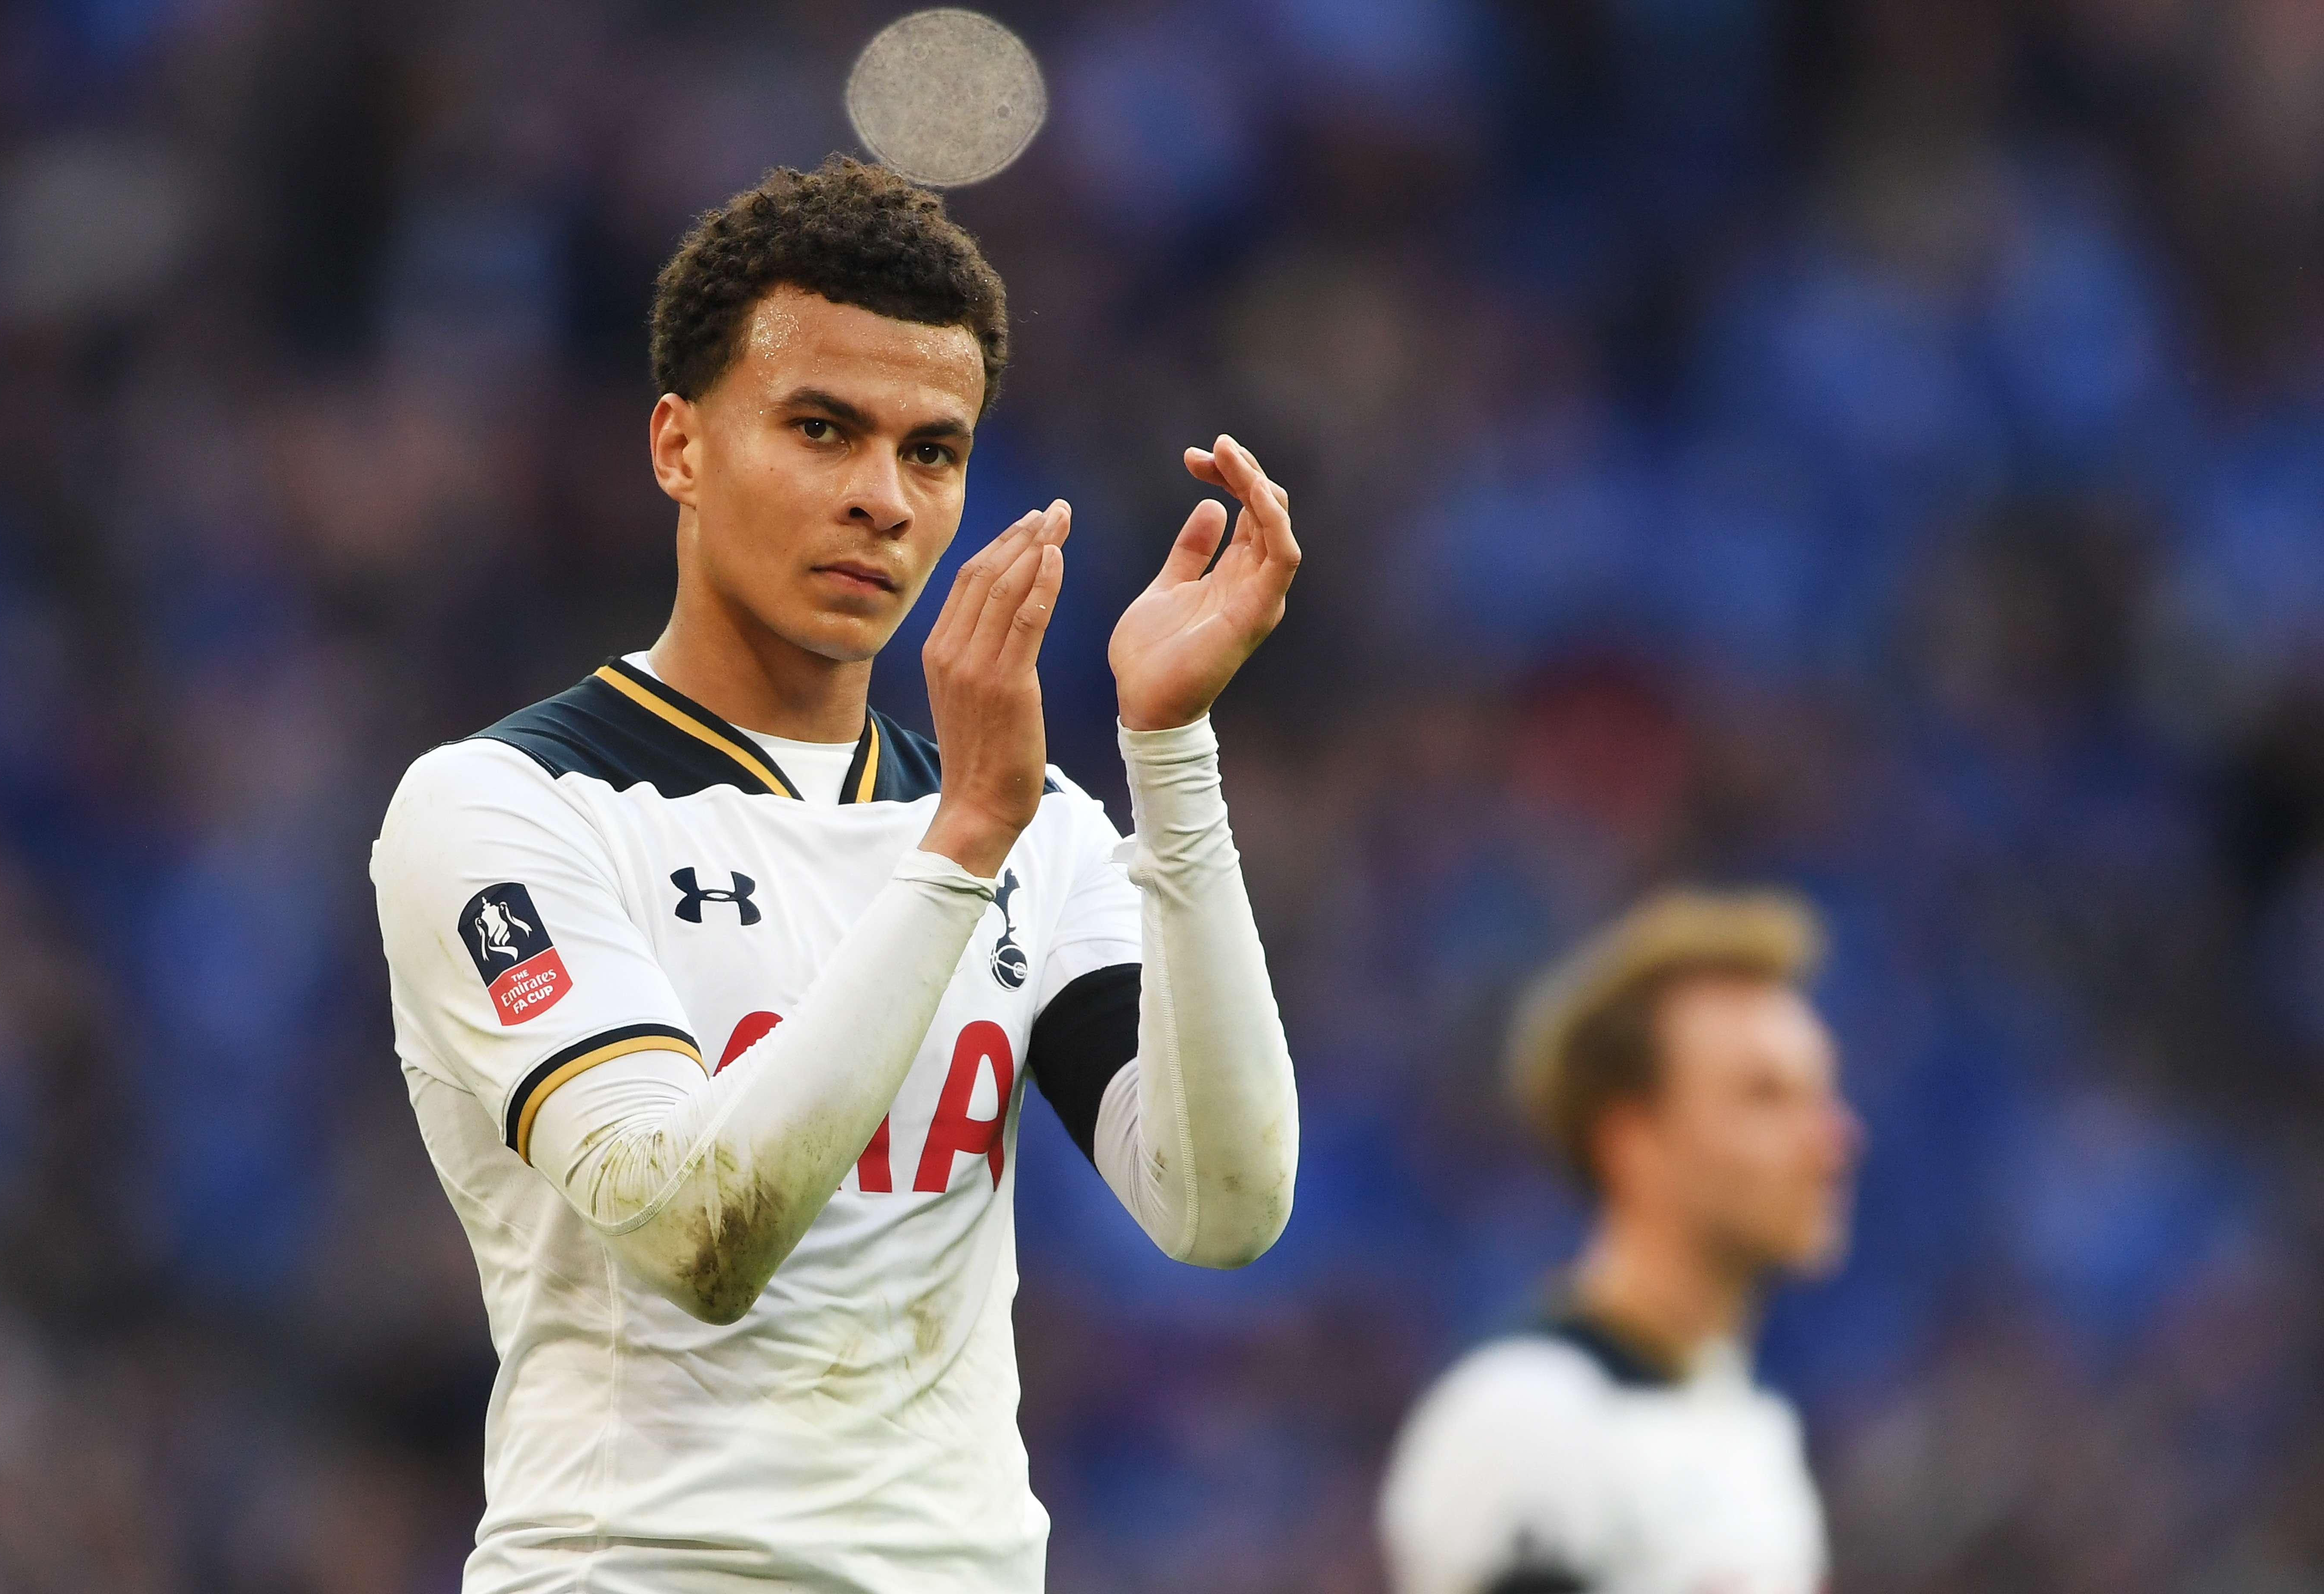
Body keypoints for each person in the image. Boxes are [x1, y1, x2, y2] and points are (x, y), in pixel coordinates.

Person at [369, 156, 1301, 1593]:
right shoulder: (508, 807)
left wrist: (1167, 755)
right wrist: (964, 842)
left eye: (930, 452)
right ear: (678, 446)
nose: (880, 498)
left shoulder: (1030, 822)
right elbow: (696, 1231)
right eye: (820, 430)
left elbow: (1221, 1207)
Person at [1379, 889, 1861, 1594]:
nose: (1831, 1141)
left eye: (1820, 1095)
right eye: (1765, 1096)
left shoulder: (1750, 1428)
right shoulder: (1528, 1416)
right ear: (1631, 1141)